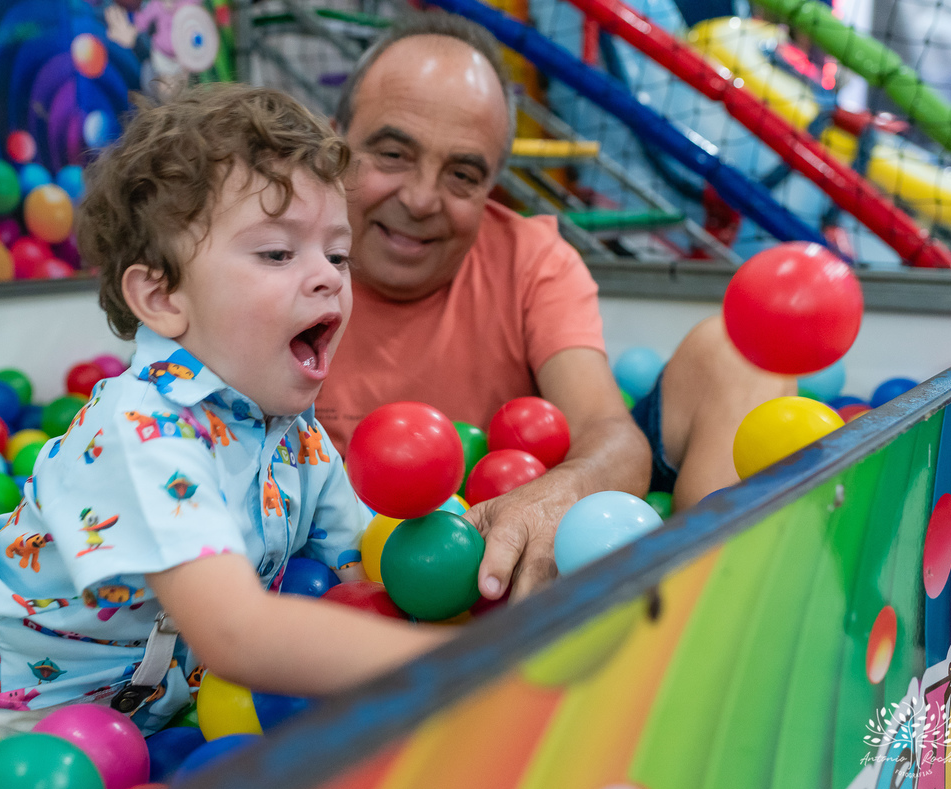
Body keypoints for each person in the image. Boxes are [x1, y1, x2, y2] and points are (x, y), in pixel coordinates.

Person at [0, 84, 448, 789]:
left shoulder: (293, 437)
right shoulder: (140, 430)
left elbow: (373, 567)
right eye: (277, 252)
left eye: (337, 254)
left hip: (140, 730)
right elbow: (238, 634)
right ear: (163, 298)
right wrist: (458, 663)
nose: (326, 277)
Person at [315, 13, 794, 602]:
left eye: (463, 174)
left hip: (494, 572)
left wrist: (553, 497)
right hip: (339, 571)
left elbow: (610, 433)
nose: (419, 199)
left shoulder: (529, 257)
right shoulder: (275, 265)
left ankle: (708, 614)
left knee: (740, 352)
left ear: (493, 185)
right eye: (391, 154)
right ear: (335, 141)